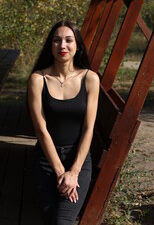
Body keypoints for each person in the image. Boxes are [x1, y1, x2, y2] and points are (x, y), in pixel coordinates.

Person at [27, 20, 100, 225]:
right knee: (51, 220)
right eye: (57, 41)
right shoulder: (38, 79)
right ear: (50, 46)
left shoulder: (90, 79)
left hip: (79, 160)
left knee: (62, 221)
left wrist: (73, 172)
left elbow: (88, 129)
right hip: (46, 161)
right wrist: (60, 172)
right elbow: (41, 130)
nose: (63, 46)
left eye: (69, 40)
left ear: (77, 46)